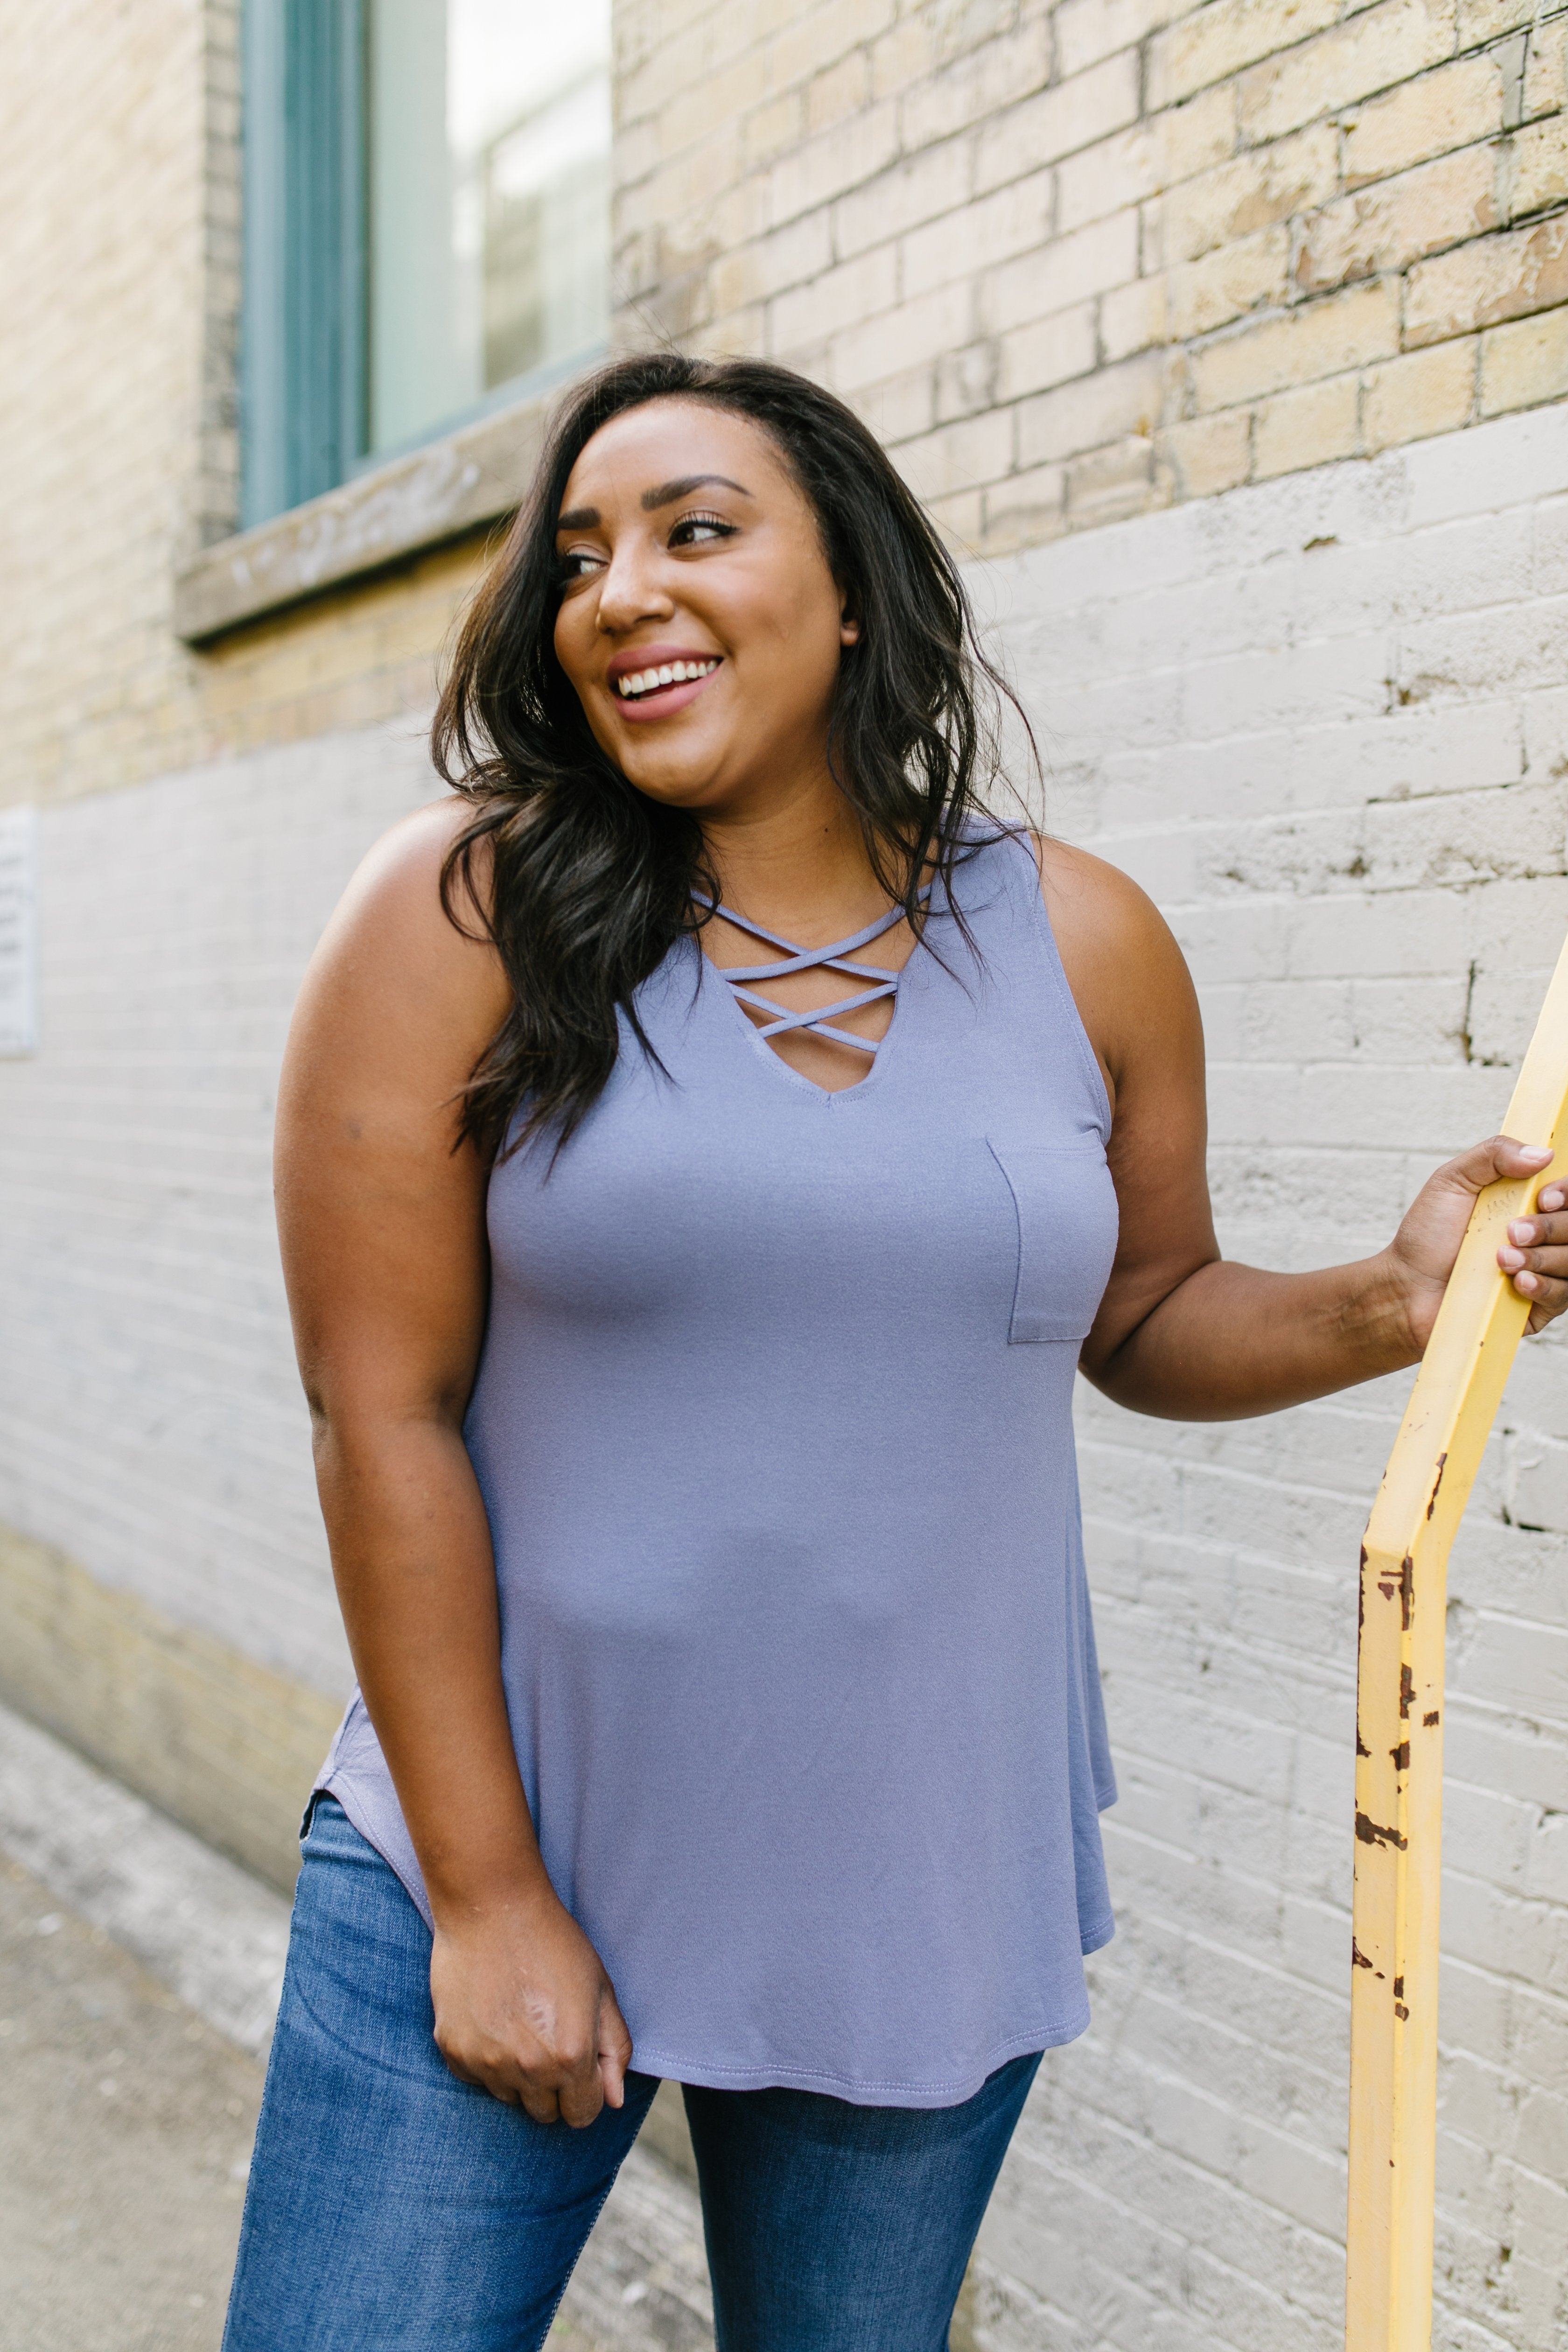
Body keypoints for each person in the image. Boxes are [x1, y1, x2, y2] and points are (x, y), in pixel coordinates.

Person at [220, 353, 1568, 2352]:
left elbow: (1143, 1314)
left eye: (695, 529)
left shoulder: (1082, 941)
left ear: (849, 590)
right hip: (513, 1844)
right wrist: (492, 1900)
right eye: (580, 556)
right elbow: (380, 1409)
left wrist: (1397, 1290)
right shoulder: (463, 913)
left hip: (916, 1867)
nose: (619, 590)